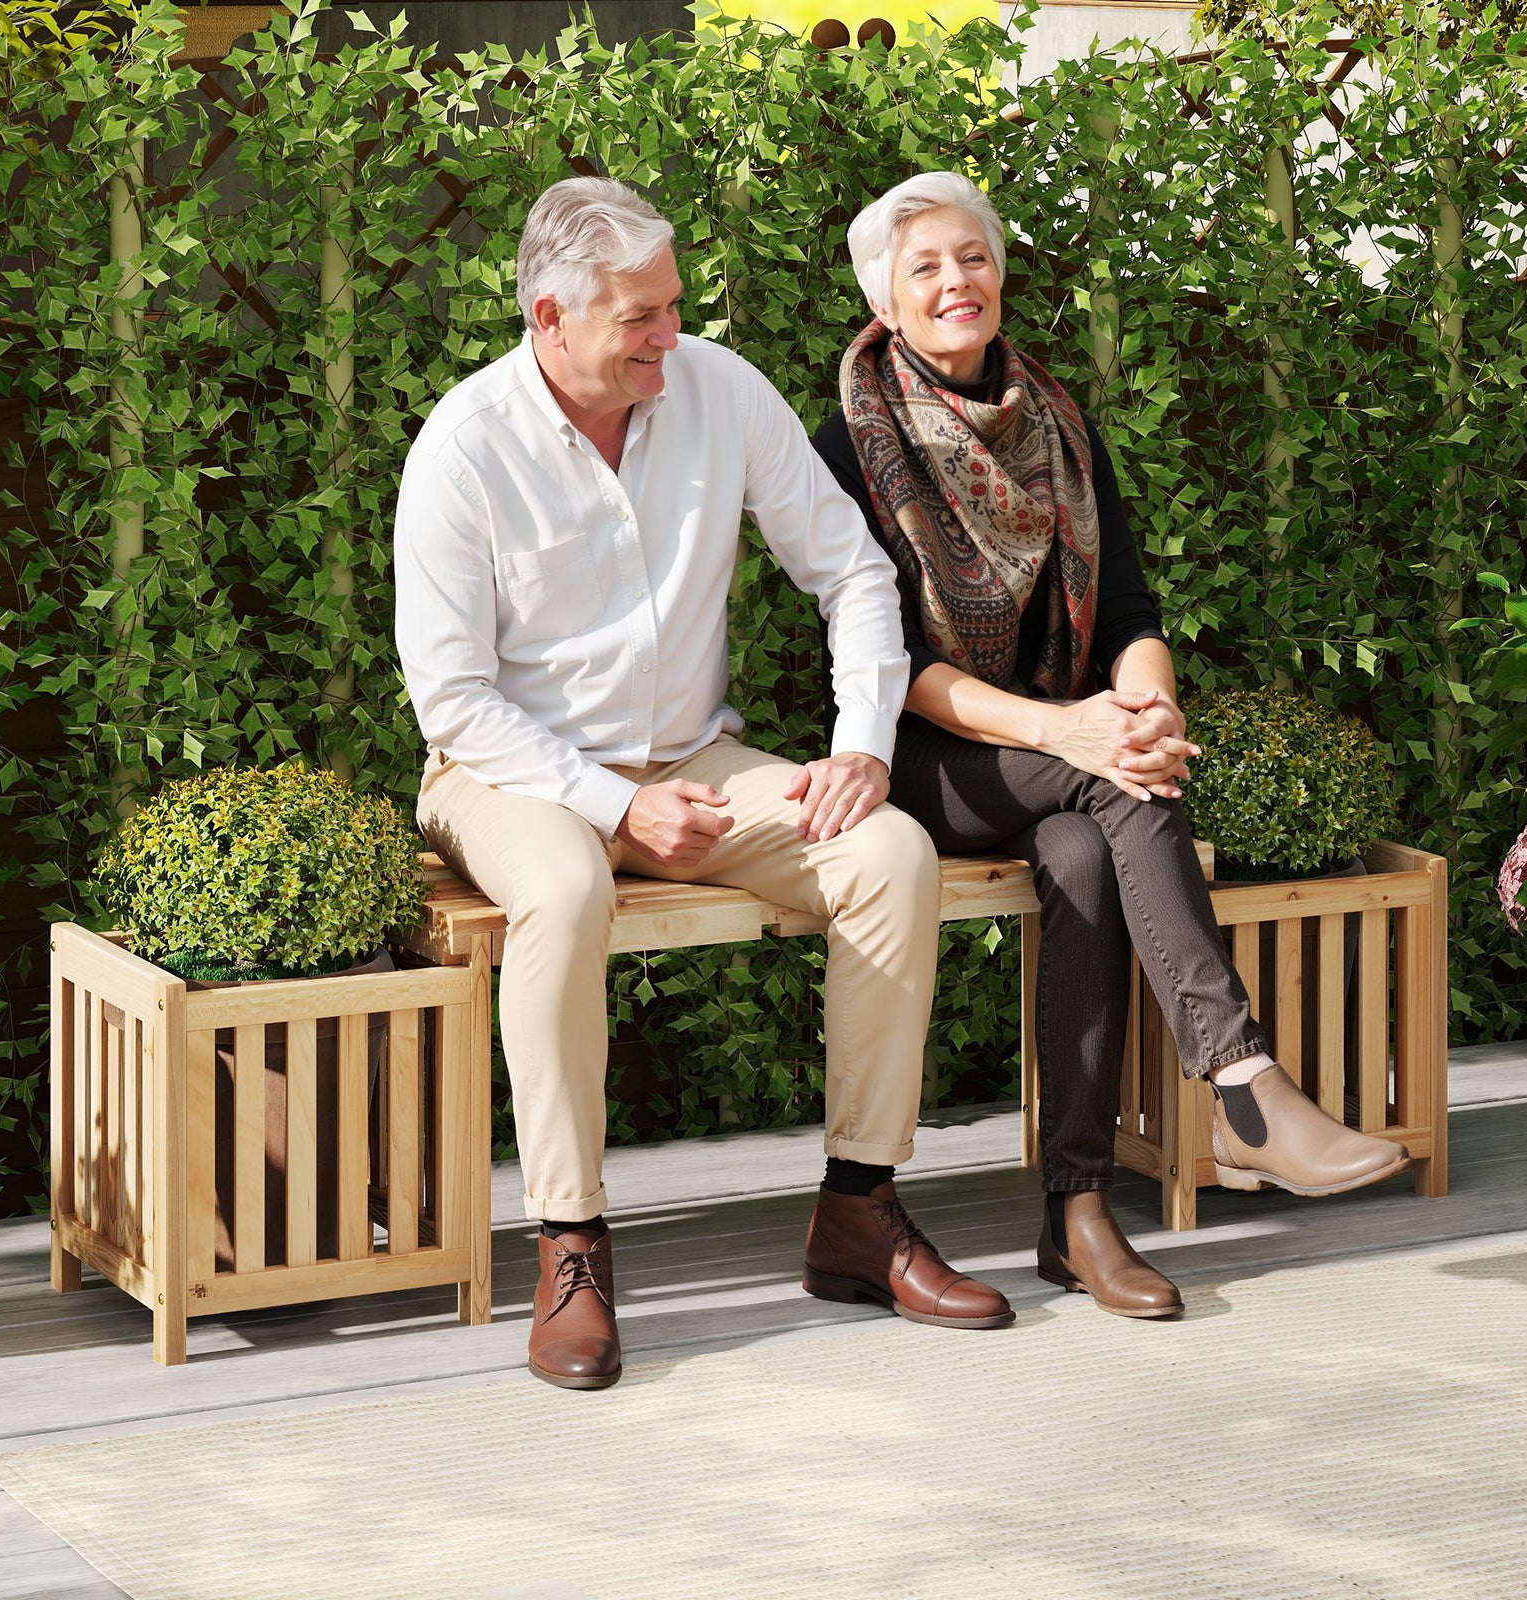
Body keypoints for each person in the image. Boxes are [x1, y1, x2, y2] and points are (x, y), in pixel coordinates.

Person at [394, 176, 1015, 1391]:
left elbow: (853, 575)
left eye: (672, 307)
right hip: (503, 771)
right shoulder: (463, 449)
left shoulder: (719, 391)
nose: (669, 337)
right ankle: (570, 1247)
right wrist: (614, 804)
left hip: (696, 763)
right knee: (566, 886)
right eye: (639, 319)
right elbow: (455, 702)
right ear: (548, 316)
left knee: (886, 852)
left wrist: (861, 744)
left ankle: (857, 1212)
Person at [812, 171, 1411, 1320]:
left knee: (1090, 846)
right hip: (917, 759)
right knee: (1113, 782)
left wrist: (1147, 709)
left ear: (1000, 273)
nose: (955, 282)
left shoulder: (1061, 427)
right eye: (924, 267)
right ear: (883, 302)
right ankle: (1245, 1088)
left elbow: (1128, 614)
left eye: (971, 257)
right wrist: (1076, 729)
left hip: (1069, 751)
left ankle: (1076, 1214)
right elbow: (888, 666)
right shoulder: (848, 443)